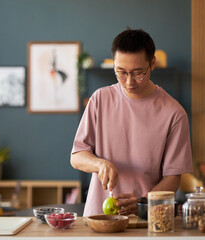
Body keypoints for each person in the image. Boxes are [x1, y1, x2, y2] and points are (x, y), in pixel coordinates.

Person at [70, 28, 193, 217]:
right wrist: (100, 164)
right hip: (99, 219)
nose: (129, 82)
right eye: (121, 73)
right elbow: (77, 156)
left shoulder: (174, 113)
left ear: (152, 64)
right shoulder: (99, 100)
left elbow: (173, 178)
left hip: (147, 220)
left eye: (138, 73)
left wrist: (144, 203)